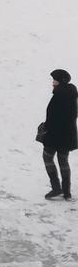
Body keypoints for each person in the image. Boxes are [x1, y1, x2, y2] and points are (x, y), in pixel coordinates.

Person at [42, 68, 78, 200]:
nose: (53, 82)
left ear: (60, 82)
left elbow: (53, 117)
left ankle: (56, 187)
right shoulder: (72, 94)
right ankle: (66, 192)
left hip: (55, 135)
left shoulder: (59, 95)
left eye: (54, 80)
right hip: (68, 135)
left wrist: (45, 128)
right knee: (63, 161)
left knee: (47, 157)